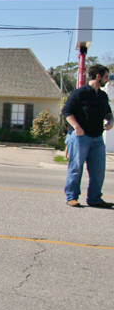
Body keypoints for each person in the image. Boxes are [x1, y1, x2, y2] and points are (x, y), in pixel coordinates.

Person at [63, 63, 114, 208]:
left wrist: (111, 121)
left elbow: (108, 112)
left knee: (98, 171)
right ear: (98, 77)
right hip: (80, 138)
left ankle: (94, 199)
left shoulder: (102, 96)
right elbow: (66, 111)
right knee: (76, 168)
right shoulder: (79, 93)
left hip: (97, 139)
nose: (107, 80)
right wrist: (76, 127)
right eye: (105, 77)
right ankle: (71, 197)